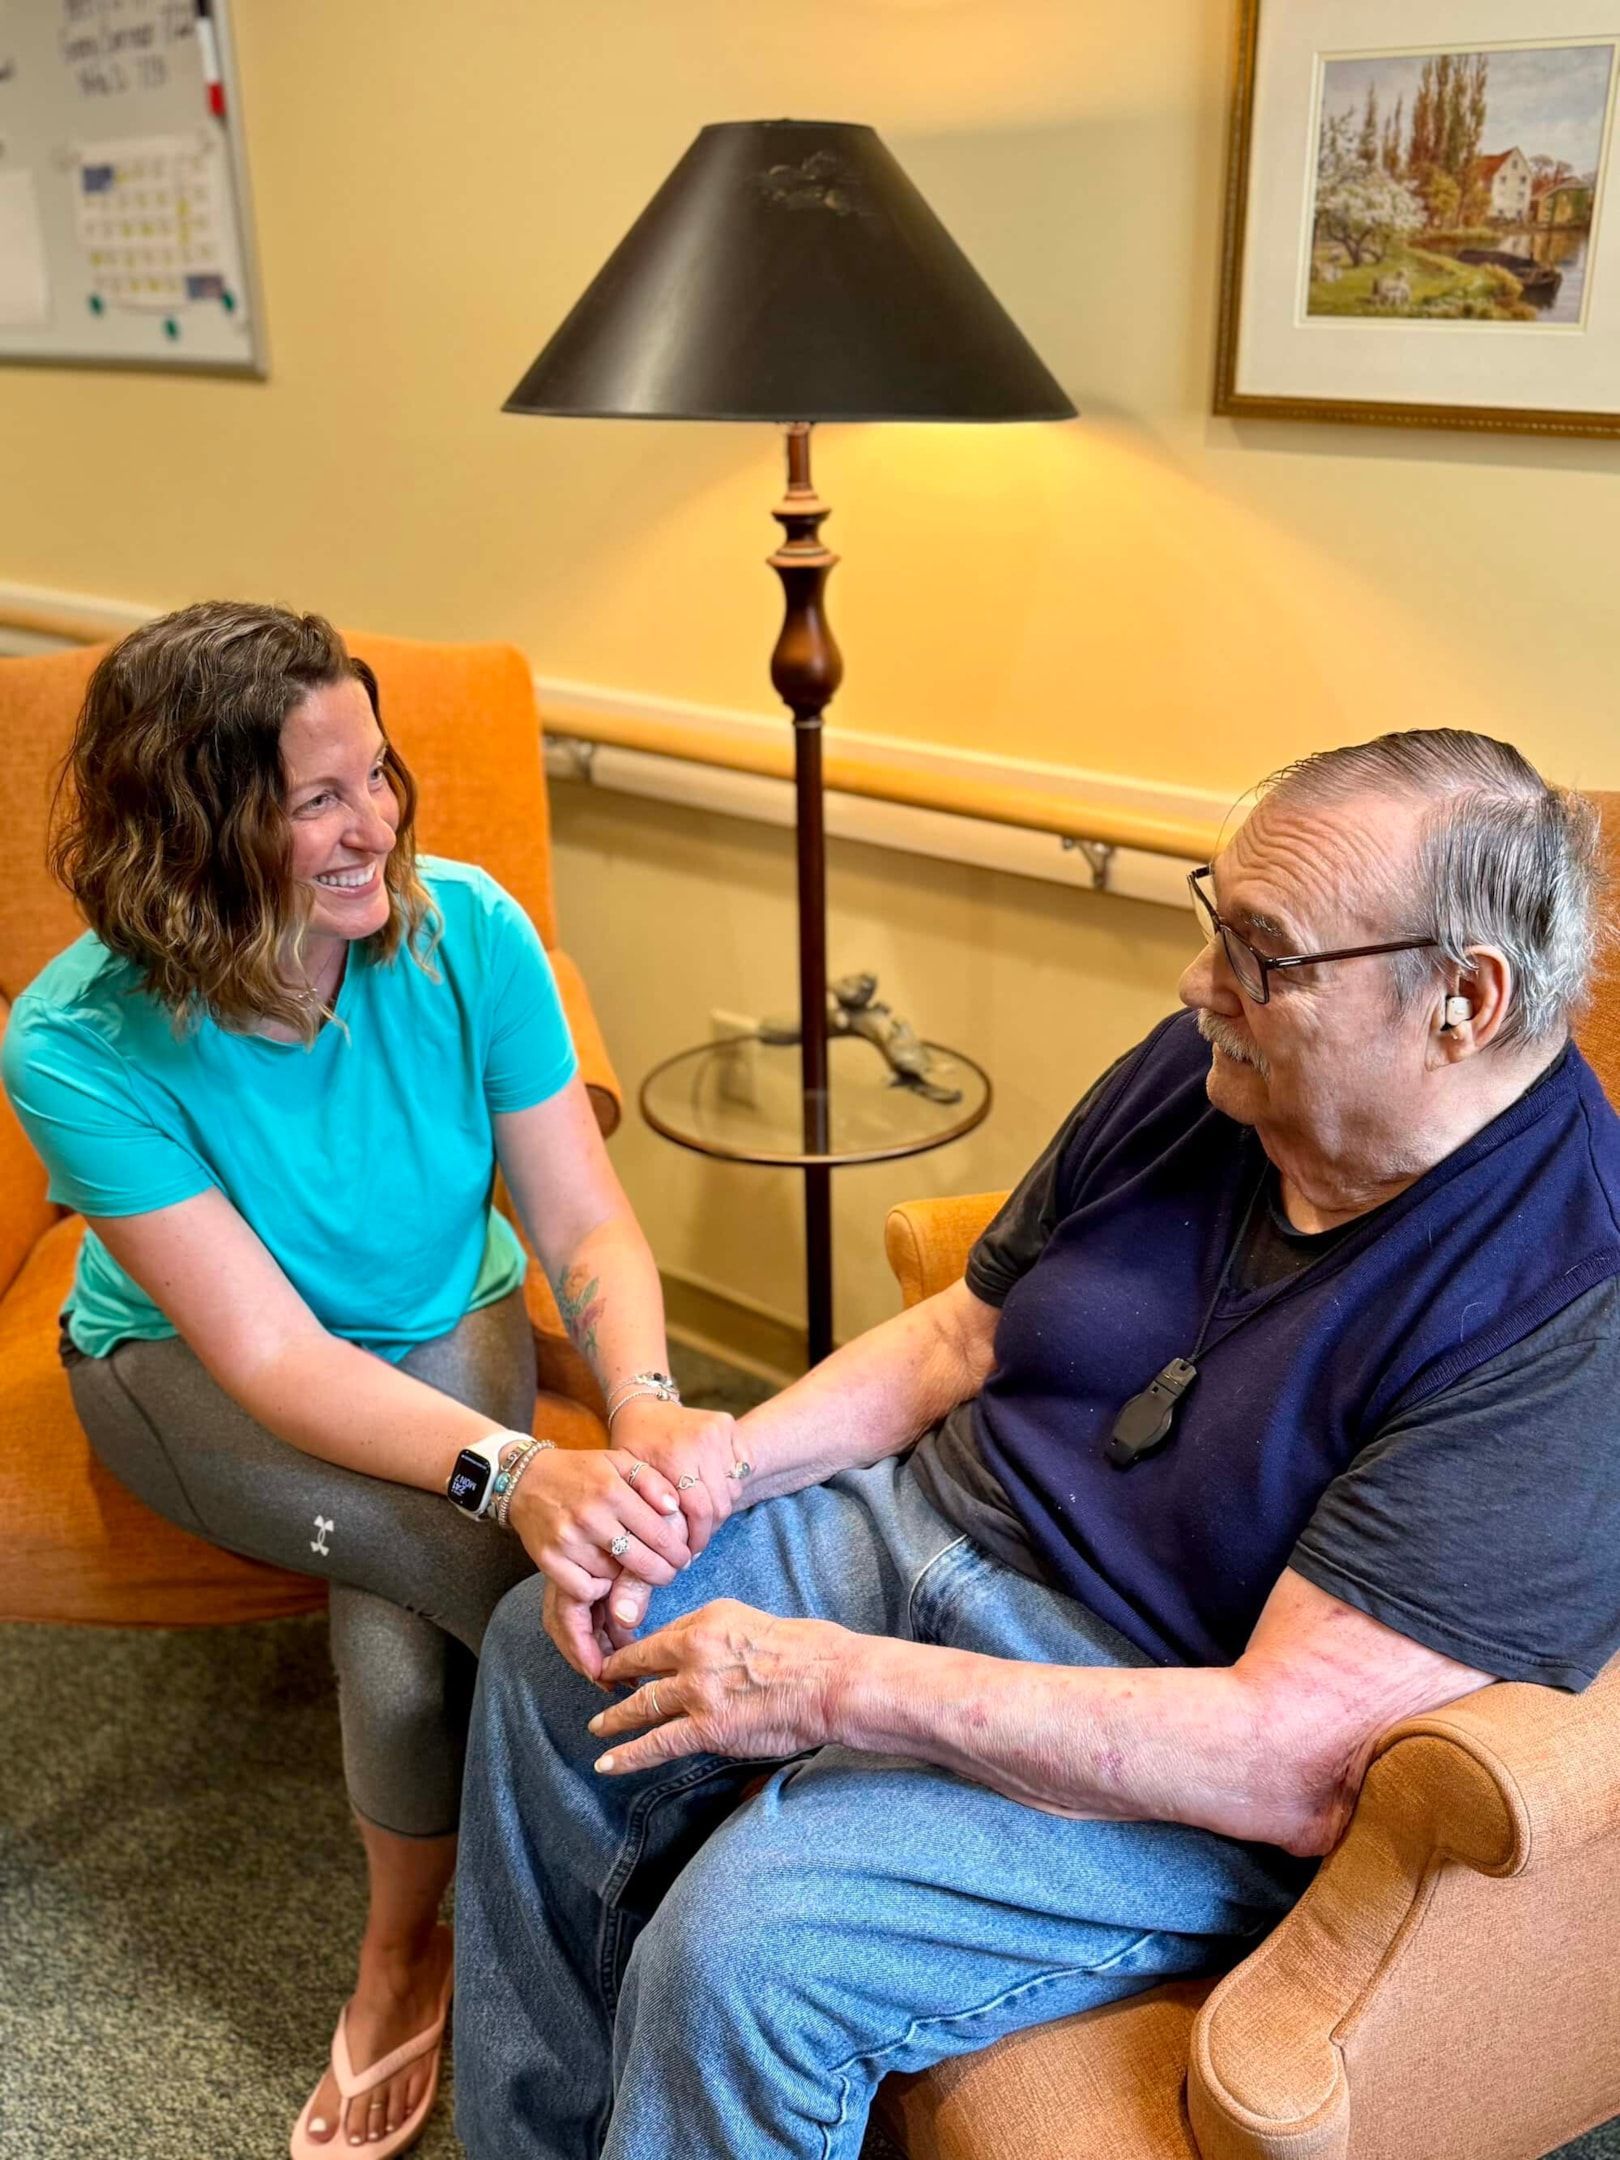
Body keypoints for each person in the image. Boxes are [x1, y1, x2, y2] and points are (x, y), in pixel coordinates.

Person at [450, 729, 1620, 2160]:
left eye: (1262, 952)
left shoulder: (1565, 1306)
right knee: (548, 1649)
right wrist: (716, 1469)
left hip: (1159, 1713)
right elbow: (963, 1337)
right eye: (1215, 921)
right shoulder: (1214, 1074)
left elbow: (1282, 1756)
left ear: (1462, 1001)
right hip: (939, 1517)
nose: (1202, 985)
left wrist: (836, 1686)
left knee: (748, 1953)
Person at [1, 602, 743, 2160]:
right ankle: (434, 1949)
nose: (377, 826)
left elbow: (578, 1213)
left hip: (435, 1317)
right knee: (483, 1573)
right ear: (192, 827)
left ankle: (680, 1917)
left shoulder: (468, 928)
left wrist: (652, 1394)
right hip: (184, 1372)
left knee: (428, 1642)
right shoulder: (73, 1039)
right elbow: (268, 1353)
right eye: (317, 798)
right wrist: (528, 1472)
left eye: (381, 776)